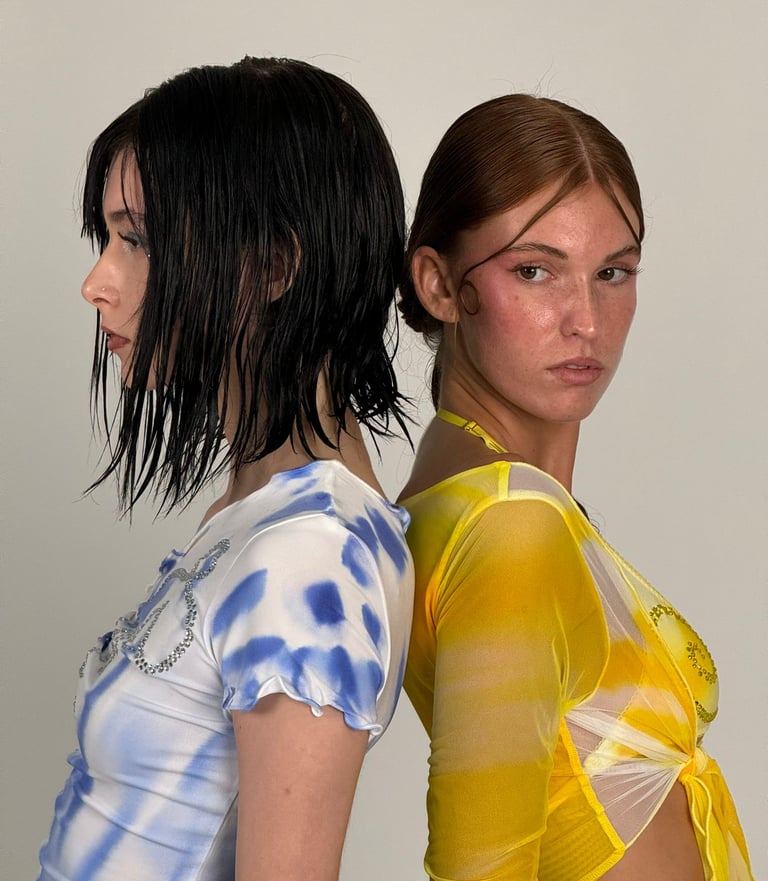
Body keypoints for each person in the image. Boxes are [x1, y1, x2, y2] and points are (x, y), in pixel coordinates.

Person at [38, 56, 414, 881]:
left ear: (275, 266)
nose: (97, 282)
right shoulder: (261, 513)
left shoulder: (310, 556)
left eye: (138, 239)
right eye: (108, 237)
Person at [398, 94, 753, 881]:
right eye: (535, 270)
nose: (587, 320)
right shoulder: (509, 525)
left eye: (612, 272)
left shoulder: (492, 502)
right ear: (439, 284)